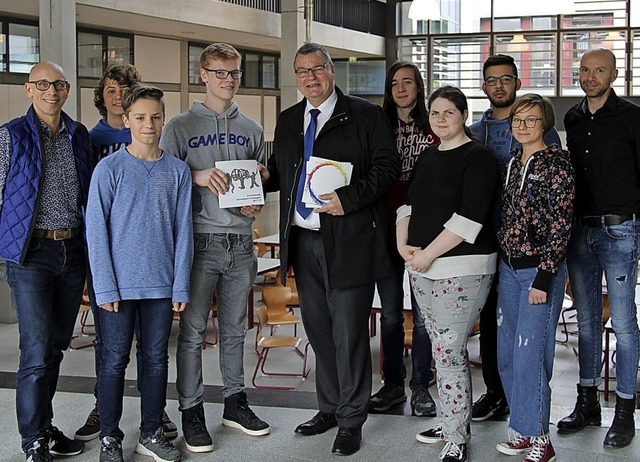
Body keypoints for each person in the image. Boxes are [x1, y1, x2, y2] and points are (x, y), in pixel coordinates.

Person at [263, 42, 399, 456]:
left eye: (317, 69)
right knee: (320, 333)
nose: (310, 78)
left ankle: (352, 419)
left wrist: (351, 197)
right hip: (302, 241)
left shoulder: (365, 115)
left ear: (332, 70)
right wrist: (258, 179)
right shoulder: (289, 120)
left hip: (349, 242)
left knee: (350, 335)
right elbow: (281, 171)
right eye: (301, 71)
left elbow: (388, 168)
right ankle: (329, 408)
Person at [159, 42, 269, 454]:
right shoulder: (179, 127)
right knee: (191, 334)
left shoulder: (253, 129)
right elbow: (163, 183)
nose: (228, 80)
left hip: (241, 242)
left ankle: (235, 402)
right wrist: (195, 174)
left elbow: (258, 180)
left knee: (235, 332)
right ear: (202, 74)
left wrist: (259, 188)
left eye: (235, 73)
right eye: (220, 72)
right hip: (199, 242)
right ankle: (191, 410)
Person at [86, 84, 193, 462]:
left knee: (155, 360)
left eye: (156, 117)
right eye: (141, 117)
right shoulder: (109, 169)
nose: (149, 125)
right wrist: (104, 288)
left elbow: (184, 233)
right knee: (114, 361)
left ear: (164, 119)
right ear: (127, 120)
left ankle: (150, 432)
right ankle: (110, 437)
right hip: (117, 288)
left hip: (161, 286)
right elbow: (95, 232)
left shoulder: (177, 171)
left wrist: (180, 285)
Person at [0, 61, 90, 462]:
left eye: (58, 84)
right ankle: (33, 439)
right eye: (43, 84)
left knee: (55, 347)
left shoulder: (79, 135)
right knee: (35, 350)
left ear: (67, 90)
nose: (51, 91)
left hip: (72, 252)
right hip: (31, 254)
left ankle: (45, 425)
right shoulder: (11, 136)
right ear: (28, 89)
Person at [406, 86, 497, 462]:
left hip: (462, 268)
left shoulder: (479, 158)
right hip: (422, 267)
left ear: (463, 114)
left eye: (448, 112)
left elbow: (469, 220)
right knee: (442, 351)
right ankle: (450, 419)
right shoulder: (427, 156)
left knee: (447, 351)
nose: (440, 119)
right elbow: (409, 205)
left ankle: (457, 437)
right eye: (434, 113)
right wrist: (404, 249)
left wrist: (426, 254)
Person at [469, 54, 561, 422]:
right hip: (487, 239)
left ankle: (529, 413)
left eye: (506, 79)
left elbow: (557, 205)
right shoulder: (476, 131)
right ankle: (497, 393)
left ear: (518, 82)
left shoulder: (543, 135)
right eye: (491, 80)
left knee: (530, 339)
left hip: (532, 252)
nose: (499, 86)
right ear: (484, 86)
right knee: (495, 324)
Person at [558, 47, 640, 449]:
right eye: (585, 71)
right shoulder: (572, 118)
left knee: (623, 324)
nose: (590, 77)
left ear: (614, 74)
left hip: (619, 232)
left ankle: (624, 412)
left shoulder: (632, 118)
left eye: (599, 71)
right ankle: (587, 401)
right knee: (587, 320)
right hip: (580, 233)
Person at [495, 94, 575, 462]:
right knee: (508, 354)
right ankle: (522, 429)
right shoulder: (512, 162)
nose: (522, 126)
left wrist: (544, 277)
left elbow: (561, 225)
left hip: (538, 272)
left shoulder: (558, 165)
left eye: (530, 120)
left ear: (545, 124)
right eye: (517, 119)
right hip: (509, 269)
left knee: (531, 355)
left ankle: (542, 437)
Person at [369, 61, 439, 417]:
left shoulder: (434, 124)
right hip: (385, 228)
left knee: (425, 316)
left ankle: (422, 386)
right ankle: (393, 383)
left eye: (407, 82)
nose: (400, 88)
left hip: (426, 231)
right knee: (392, 313)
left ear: (419, 86)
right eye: (394, 82)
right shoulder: (378, 124)